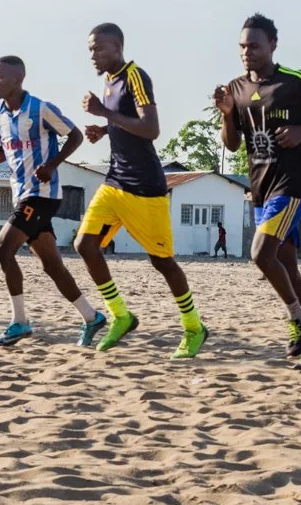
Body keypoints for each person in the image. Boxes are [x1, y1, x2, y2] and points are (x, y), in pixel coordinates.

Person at [217, 13, 301, 370]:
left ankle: (297, 319)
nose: (247, 52)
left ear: (273, 45)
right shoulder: (234, 89)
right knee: (288, 267)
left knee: (261, 254)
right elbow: (231, 145)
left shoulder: (295, 81)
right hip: (259, 188)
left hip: (292, 184)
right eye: (243, 46)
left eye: (255, 45)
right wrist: (225, 114)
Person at [75, 24, 207, 357]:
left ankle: (194, 327)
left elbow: (151, 128)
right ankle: (121, 315)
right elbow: (126, 119)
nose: (93, 55)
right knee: (85, 245)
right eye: (90, 49)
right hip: (115, 181)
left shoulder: (136, 76)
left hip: (145, 188)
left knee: (162, 263)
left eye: (99, 49)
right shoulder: (108, 81)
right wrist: (104, 130)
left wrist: (104, 113)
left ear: (117, 47)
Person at [0, 56, 101, 347]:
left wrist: (52, 164)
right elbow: (3, 151)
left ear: (18, 79)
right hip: (21, 193)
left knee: (2, 250)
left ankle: (20, 321)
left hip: (42, 195)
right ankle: (91, 317)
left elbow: (74, 135)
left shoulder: (40, 108)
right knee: (52, 266)